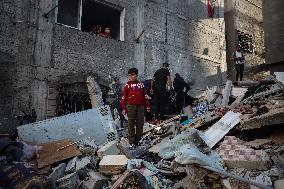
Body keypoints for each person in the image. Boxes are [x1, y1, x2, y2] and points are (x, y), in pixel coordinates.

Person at [121, 68, 150, 146]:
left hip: (141, 106)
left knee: (140, 124)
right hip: (131, 106)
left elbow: (145, 96)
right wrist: (123, 108)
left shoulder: (141, 84)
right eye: (130, 75)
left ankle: (138, 141)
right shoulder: (127, 85)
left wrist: (147, 105)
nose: (131, 77)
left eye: (133, 75)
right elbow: (124, 97)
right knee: (131, 124)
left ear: (136, 75)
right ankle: (132, 142)